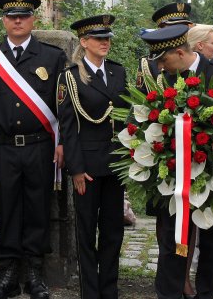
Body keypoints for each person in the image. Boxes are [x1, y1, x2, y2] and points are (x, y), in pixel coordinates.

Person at [0, 0, 67, 299]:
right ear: (4, 21)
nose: (17, 21)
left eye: (23, 16)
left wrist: (62, 144)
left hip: (40, 147)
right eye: (12, 17)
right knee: (6, 208)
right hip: (3, 148)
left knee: (38, 209)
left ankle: (35, 273)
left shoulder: (52, 57)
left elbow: (62, 108)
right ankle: (8, 272)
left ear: (34, 19)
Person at [140, 24, 213, 299]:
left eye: (164, 60)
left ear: (180, 52)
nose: (160, 67)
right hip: (173, 176)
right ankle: (169, 293)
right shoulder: (162, 78)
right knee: (172, 242)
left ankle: (206, 293)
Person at [58, 15, 128, 299]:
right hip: (86, 167)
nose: (104, 42)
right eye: (98, 38)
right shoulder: (71, 77)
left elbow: (124, 118)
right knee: (86, 232)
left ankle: (109, 288)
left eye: (107, 38)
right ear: (84, 42)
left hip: (114, 164)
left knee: (113, 231)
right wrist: (75, 168)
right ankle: (90, 290)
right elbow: (67, 125)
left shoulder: (117, 72)